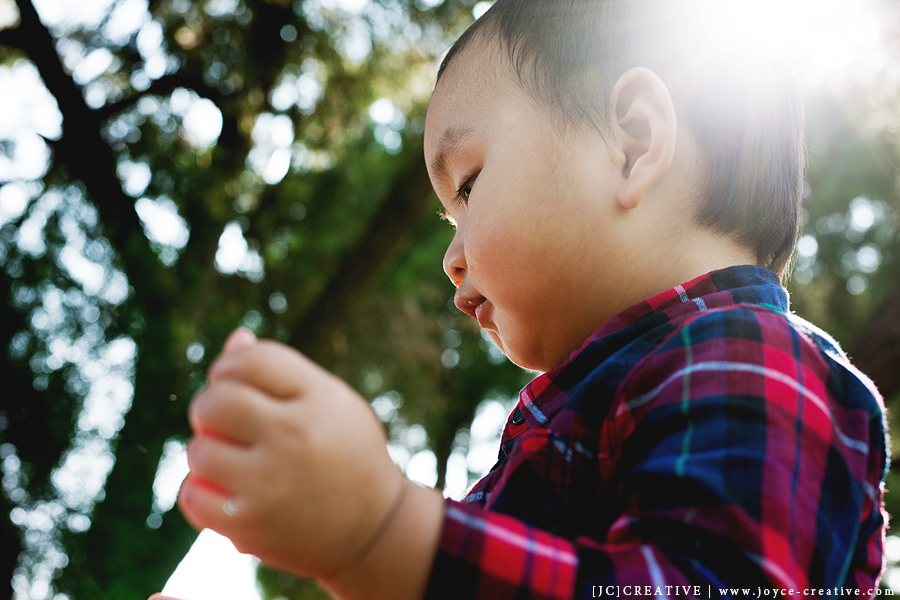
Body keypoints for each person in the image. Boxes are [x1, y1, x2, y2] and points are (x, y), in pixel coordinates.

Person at [151, 1, 889, 598]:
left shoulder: (756, 359)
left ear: (632, 144)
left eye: (467, 186)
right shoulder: (572, 424)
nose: (450, 258)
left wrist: (382, 533)